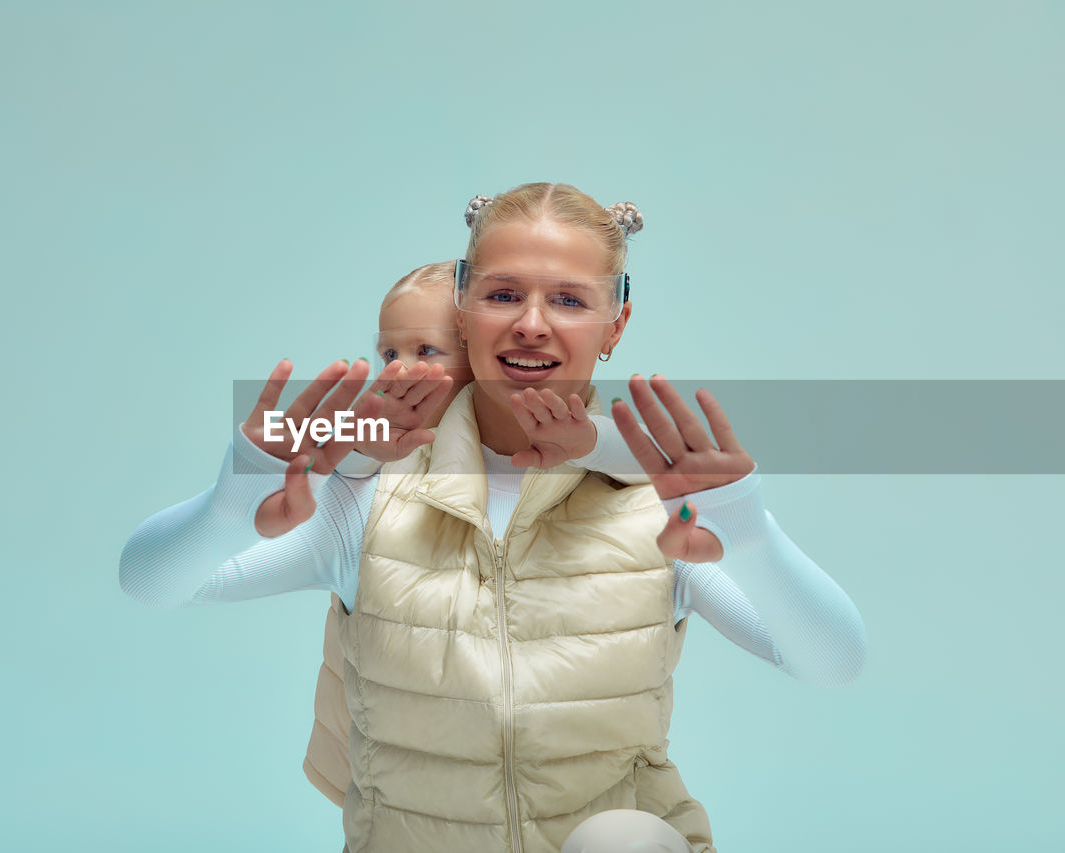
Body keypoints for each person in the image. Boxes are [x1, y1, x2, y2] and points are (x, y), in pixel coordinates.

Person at [119, 183, 868, 853]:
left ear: (616, 323)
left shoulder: (654, 508)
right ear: (463, 311)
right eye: (503, 296)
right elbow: (153, 582)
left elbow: (831, 662)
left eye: (570, 300)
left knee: (624, 839)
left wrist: (750, 534)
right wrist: (231, 504)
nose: (532, 325)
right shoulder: (371, 496)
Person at [306, 260, 687, 808]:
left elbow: (654, 460)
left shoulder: (573, 461)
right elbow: (328, 460)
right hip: (384, 742)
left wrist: (589, 441)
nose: (398, 371)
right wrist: (357, 439)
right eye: (389, 353)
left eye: (426, 352)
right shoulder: (381, 459)